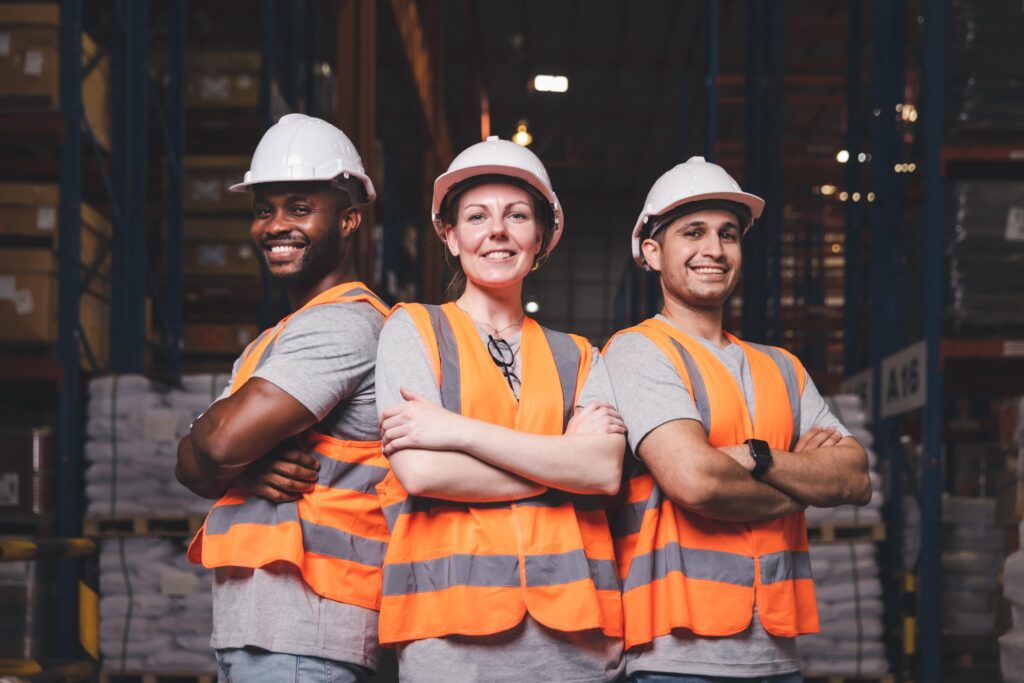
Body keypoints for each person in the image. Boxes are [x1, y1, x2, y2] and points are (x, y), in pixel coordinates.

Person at [602, 156, 873, 682]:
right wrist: (805, 482)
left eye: (728, 234)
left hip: (777, 656)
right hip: (676, 657)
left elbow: (855, 478)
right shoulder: (637, 351)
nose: (714, 250)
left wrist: (753, 457)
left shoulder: (782, 367)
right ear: (653, 252)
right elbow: (697, 480)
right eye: (694, 233)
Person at [373, 136, 627, 682]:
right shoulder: (412, 329)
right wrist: (563, 467)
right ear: (450, 234)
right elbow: (422, 470)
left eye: (517, 215)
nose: (497, 231)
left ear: (541, 237)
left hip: (577, 639)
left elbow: (604, 471)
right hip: (450, 636)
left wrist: (453, 429)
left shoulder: (581, 355)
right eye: (476, 216)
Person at [175, 114, 390, 682]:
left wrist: (226, 454)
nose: (275, 225)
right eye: (264, 209)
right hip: (262, 632)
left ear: (348, 220)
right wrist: (243, 469)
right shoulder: (276, 340)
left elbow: (216, 443)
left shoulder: (347, 324)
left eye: (299, 208)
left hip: (308, 630)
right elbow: (190, 467)